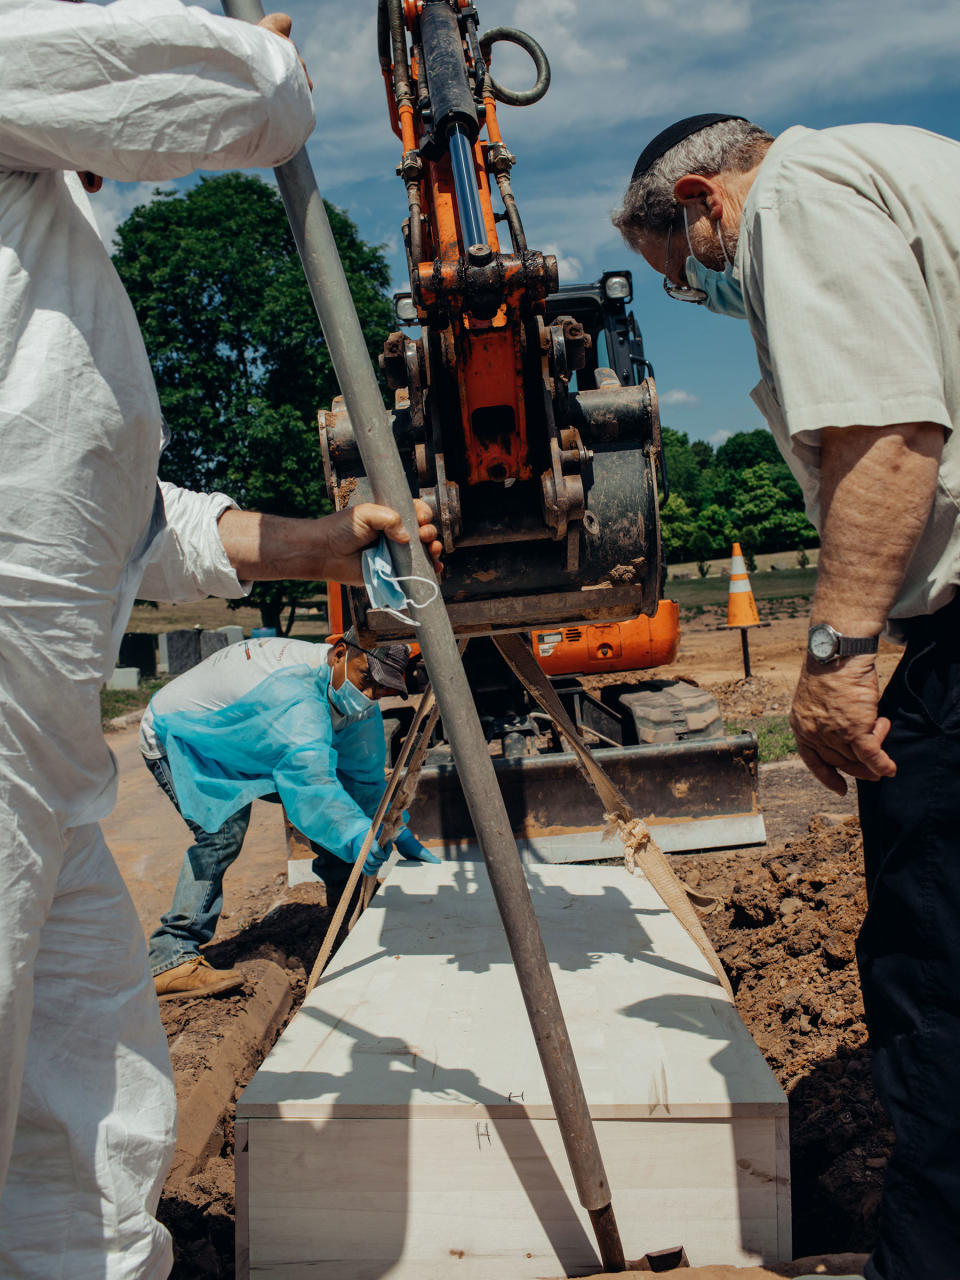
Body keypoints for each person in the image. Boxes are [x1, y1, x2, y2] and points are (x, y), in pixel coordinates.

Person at [0, 2, 440, 1275]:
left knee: (87, 1081)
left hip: (51, 733)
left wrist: (324, 540)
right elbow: (243, 95)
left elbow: (143, 520)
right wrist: (251, 41)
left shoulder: (47, 251)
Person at [613, 113, 960, 1280]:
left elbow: (889, 429)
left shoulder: (798, 201)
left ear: (706, 200)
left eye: (684, 270)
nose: (697, 292)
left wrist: (836, 647)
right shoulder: (902, 164)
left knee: (935, 962)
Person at [140, 628, 439, 999]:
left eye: (382, 691)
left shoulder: (349, 702)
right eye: (366, 680)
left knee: (343, 809)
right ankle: (171, 955)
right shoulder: (294, 696)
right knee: (221, 834)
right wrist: (355, 835)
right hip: (183, 734)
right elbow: (313, 789)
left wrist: (395, 829)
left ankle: (346, 917)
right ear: (339, 653)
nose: (368, 697)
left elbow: (362, 781)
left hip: (243, 735)